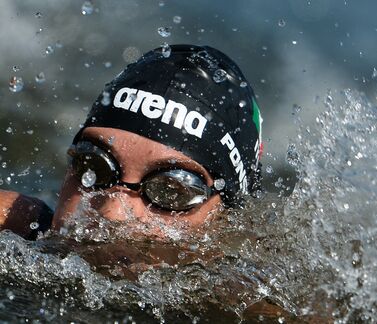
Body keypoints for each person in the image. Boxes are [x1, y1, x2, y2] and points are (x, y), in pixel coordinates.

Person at [0, 44, 263, 241]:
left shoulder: (257, 306)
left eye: (170, 191)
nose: (111, 212)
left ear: (226, 222)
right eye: (94, 166)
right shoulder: (14, 226)